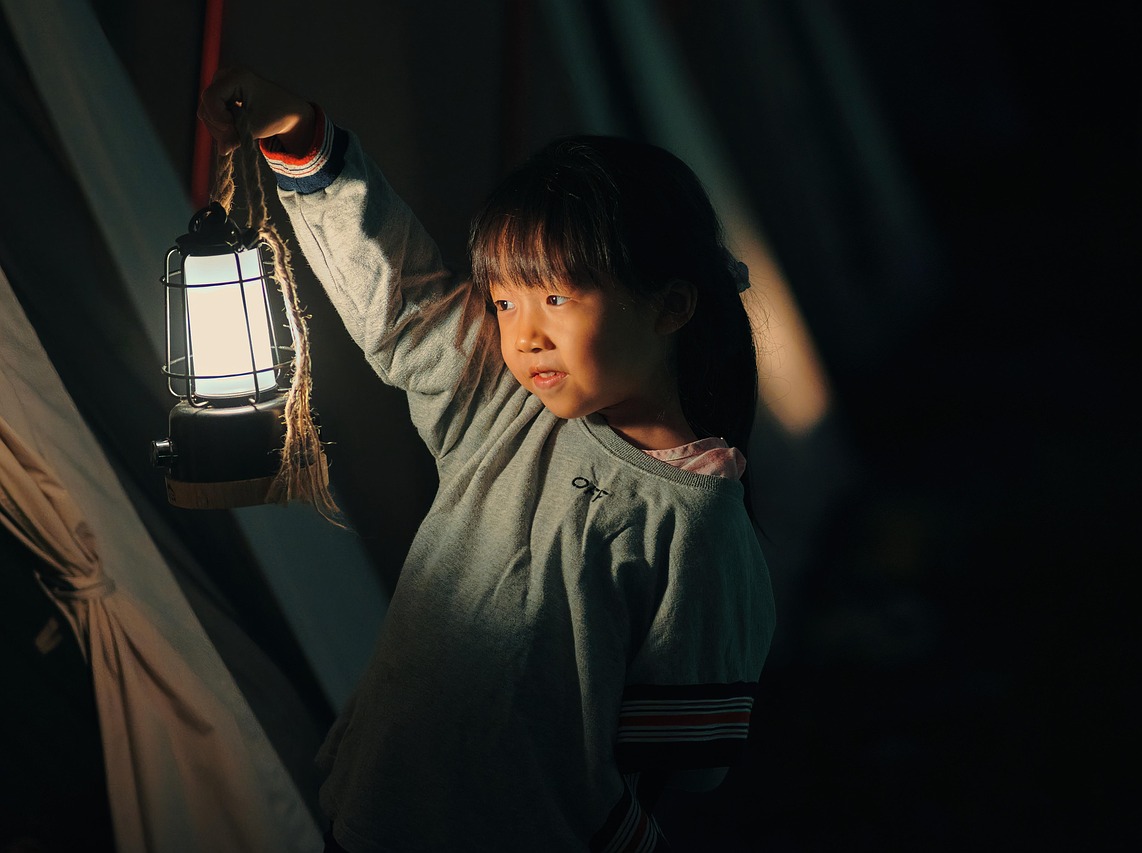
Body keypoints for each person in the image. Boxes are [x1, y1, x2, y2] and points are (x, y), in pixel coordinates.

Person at [199, 68, 775, 852]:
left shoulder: (696, 521)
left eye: (559, 298)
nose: (525, 333)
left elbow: (687, 759)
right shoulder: (503, 408)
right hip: (368, 818)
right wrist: (304, 142)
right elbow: (402, 303)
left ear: (669, 306)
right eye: (505, 300)